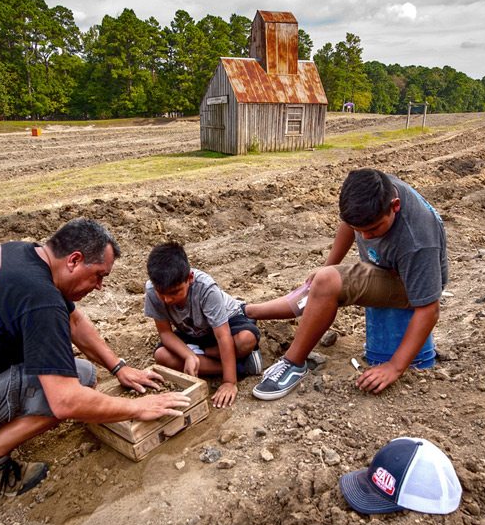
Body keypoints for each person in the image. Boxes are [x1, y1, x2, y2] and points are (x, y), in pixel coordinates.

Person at [0, 218, 191, 496]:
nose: (99, 286)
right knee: (81, 382)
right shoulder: (40, 298)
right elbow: (66, 401)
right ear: (74, 260)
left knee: (73, 372)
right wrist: (137, 408)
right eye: (99, 276)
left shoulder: (23, 254)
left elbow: (74, 322)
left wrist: (118, 367)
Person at [246, 168, 447, 400]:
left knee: (326, 283)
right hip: (386, 266)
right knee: (319, 282)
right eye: (360, 230)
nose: (366, 237)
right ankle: (247, 310)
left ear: (396, 206)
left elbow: (429, 309)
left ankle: (293, 363)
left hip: (410, 284)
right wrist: (328, 265)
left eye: (373, 229)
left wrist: (395, 367)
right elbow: (349, 225)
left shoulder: (418, 242)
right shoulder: (372, 192)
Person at [144, 242, 263, 409]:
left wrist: (229, 382)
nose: (167, 300)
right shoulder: (151, 291)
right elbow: (165, 333)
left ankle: (220, 362)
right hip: (193, 332)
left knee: (245, 340)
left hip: (226, 324)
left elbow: (223, 336)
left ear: (190, 279)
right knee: (162, 356)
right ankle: (241, 366)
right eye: (161, 293)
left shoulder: (206, 288)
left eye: (175, 292)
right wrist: (188, 356)